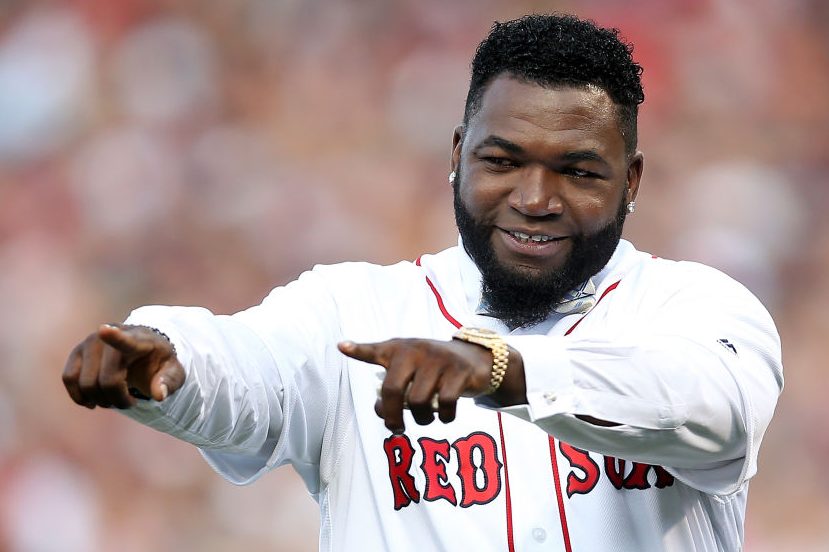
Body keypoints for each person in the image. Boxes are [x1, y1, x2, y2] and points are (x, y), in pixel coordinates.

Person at [62, 14, 783, 552]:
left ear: (631, 181)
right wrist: (171, 356)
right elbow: (249, 371)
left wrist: (502, 369)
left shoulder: (698, 308)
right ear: (458, 155)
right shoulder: (357, 310)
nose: (535, 198)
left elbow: (708, 408)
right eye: (502, 161)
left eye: (577, 170)